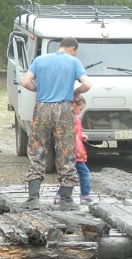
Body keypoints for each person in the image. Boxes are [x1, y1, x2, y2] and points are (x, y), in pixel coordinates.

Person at [19, 37, 92, 210]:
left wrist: (40, 88)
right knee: (66, 152)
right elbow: (87, 85)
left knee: (37, 150)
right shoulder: (74, 62)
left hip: (42, 109)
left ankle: (33, 199)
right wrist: (75, 92)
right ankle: (66, 201)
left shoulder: (40, 60)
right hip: (64, 109)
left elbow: (25, 82)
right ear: (72, 49)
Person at [55, 96, 92, 204]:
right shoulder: (69, 119)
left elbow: (75, 134)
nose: (81, 112)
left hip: (75, 151)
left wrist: (81, 136)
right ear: (74, 105)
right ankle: (85, 195)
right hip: (73, 152)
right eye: (80, 109)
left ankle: (59, 195)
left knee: (69, 174)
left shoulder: (74, 119)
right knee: (84, 173)